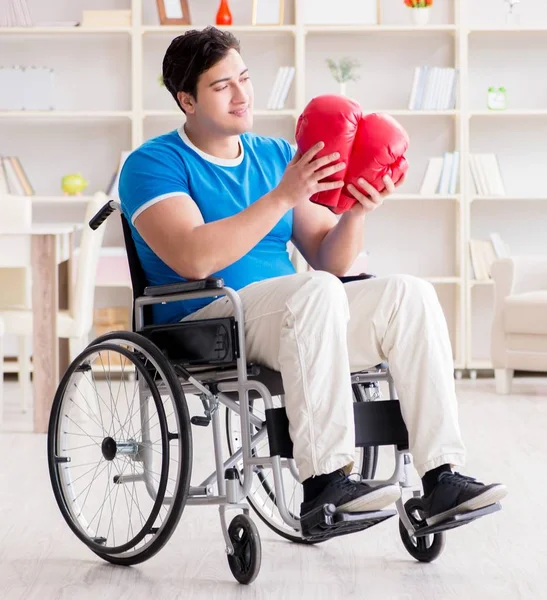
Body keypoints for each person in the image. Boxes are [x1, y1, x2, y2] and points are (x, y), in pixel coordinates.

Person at [118, 26, 507, 525]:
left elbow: (329, 259)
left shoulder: (276, 155)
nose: (242, 95)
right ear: (186, 100)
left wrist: (358, 210)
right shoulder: (152, 164)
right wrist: (281, 196)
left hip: (297, 314)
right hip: (208, 321)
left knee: (410, 294)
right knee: (316, 291)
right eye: (222, 87)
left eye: (245, 78)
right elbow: (193, 258)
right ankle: (325, 484)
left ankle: (441, 478)